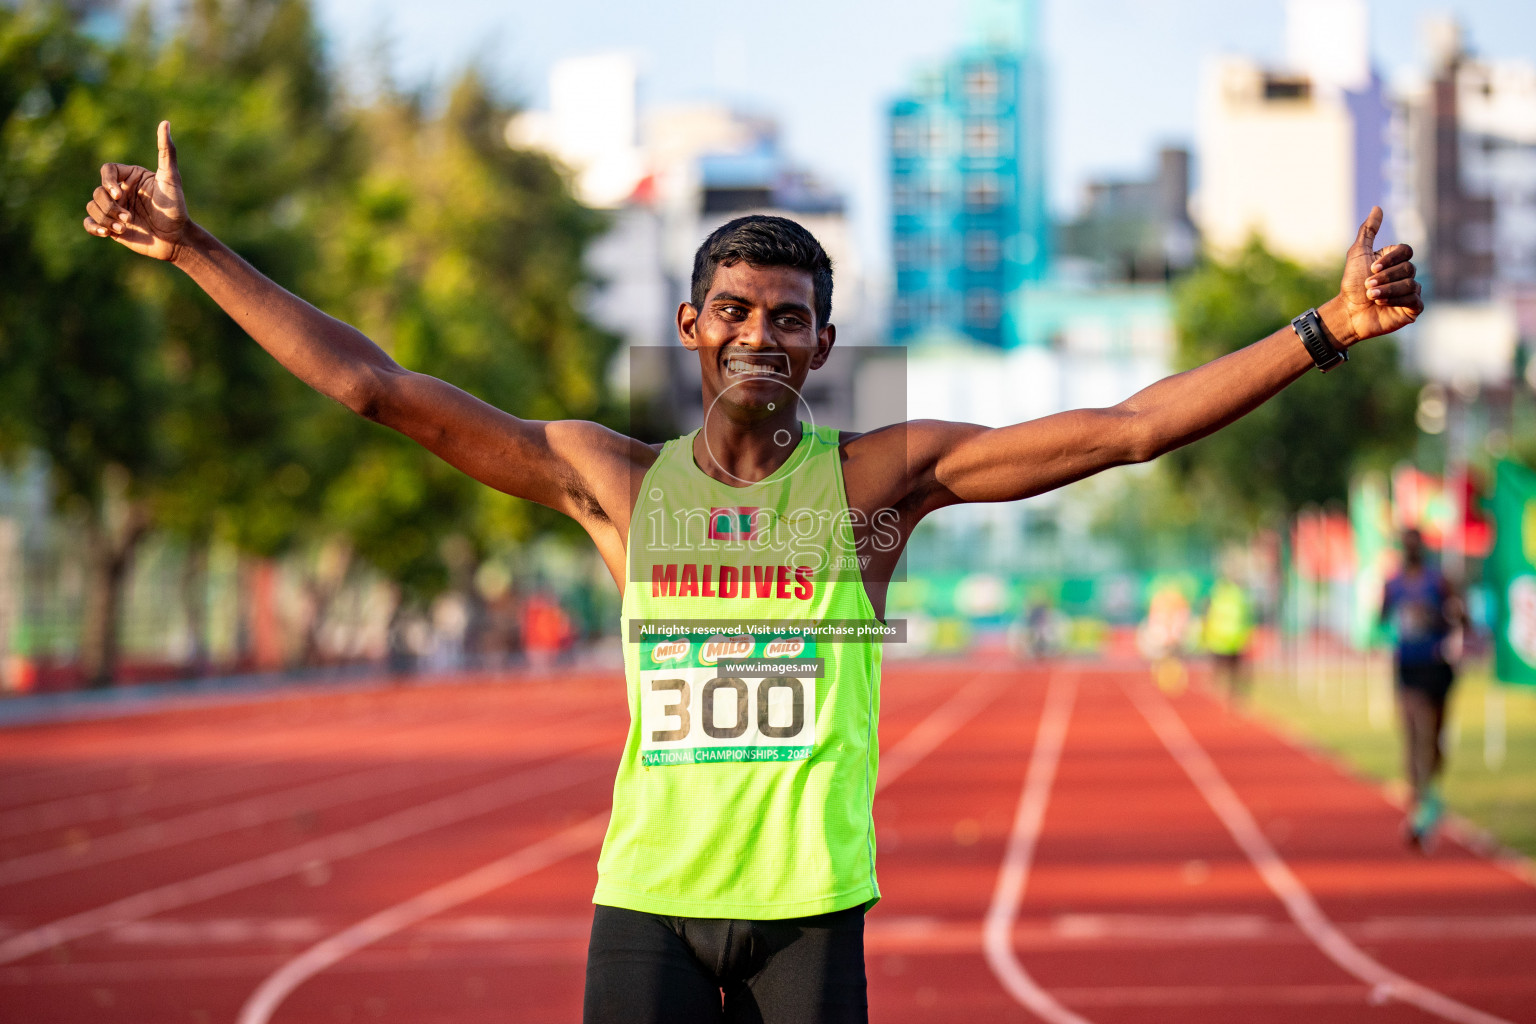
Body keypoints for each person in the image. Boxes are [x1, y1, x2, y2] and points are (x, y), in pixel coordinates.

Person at [83, 122, 1423, 1024]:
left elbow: (1124, 433)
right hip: (646, 912)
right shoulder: (612, 482)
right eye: (735, 312)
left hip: (807, 920)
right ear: (691, 330)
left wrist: (1323, 330)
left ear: (824, 341)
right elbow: (377, 390)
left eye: (789, 318)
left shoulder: (875, 488)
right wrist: (196, 249)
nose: (760, 336)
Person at [1381, 528, 1466, 850]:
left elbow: (1461, 615)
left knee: (1433, 742)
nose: (1411, 551)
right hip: (1407, 667)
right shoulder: (1393, 583)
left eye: (1415, 545)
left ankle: (1430, 794)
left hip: (1436, 667)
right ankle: (1421, 809)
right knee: (1415, 733)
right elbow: (1382, 615)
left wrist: (1450, 619)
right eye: (1407, 546)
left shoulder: (1438, 581)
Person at [1203, 573, 1255, 705]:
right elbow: (1247, 617)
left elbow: (1208, 615)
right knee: (1234, 670)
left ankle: (1221, 691)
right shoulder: (1239, 596)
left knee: (1222, 669)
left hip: (1219, 639)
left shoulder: (1217, 596)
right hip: (1235, 638)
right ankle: (1233, 693)